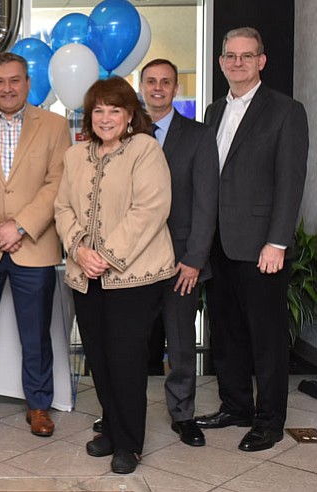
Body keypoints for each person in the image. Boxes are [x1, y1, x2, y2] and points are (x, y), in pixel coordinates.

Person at [195, 27, 309, 452]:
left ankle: (269, 420)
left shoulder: (285, 111)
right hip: (220, 244)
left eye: (247, 56)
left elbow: (290, 181)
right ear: (222, 61)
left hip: (262, 246)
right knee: (227, 333)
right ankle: (236, 407)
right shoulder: (212, 111)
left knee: (266, 337)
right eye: (230, 55)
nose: (237, 62)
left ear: (262, 61)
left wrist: (277, 242)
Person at [54, 76, 174, 474]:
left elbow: (150, 209)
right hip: (86, 277)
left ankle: (129, 443)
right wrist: (80, 250)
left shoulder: (145, 149)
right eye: (98, 110)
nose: (106, 118)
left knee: (125, 360)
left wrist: (104, 255)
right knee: (100, 359)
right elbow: (63, 209)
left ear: (129, 115)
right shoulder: (75, 156)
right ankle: (112, 426)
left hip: (133, 279)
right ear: (89, 117)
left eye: (115, 110)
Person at [0, 52, 71, 438]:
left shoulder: (55, 126)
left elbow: (58, 183)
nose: (7, 88)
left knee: (36, 334)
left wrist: (20, 226)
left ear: (27, 82)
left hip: (33, 246)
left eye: (15, 80)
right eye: (0, 81)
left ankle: (39, 405)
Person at [140, 58, 219, 447]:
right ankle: (122, 411)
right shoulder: (125, 131)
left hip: (180, 262)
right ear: (141, 87)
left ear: (175, 88)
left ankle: (183, 415)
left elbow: (208, 202)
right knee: (130, 343)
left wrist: (195, 259)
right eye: (151, 81)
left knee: (182, 344)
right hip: (132, 261)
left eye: (165, 82)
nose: (158, 88)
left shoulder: (199, 136)